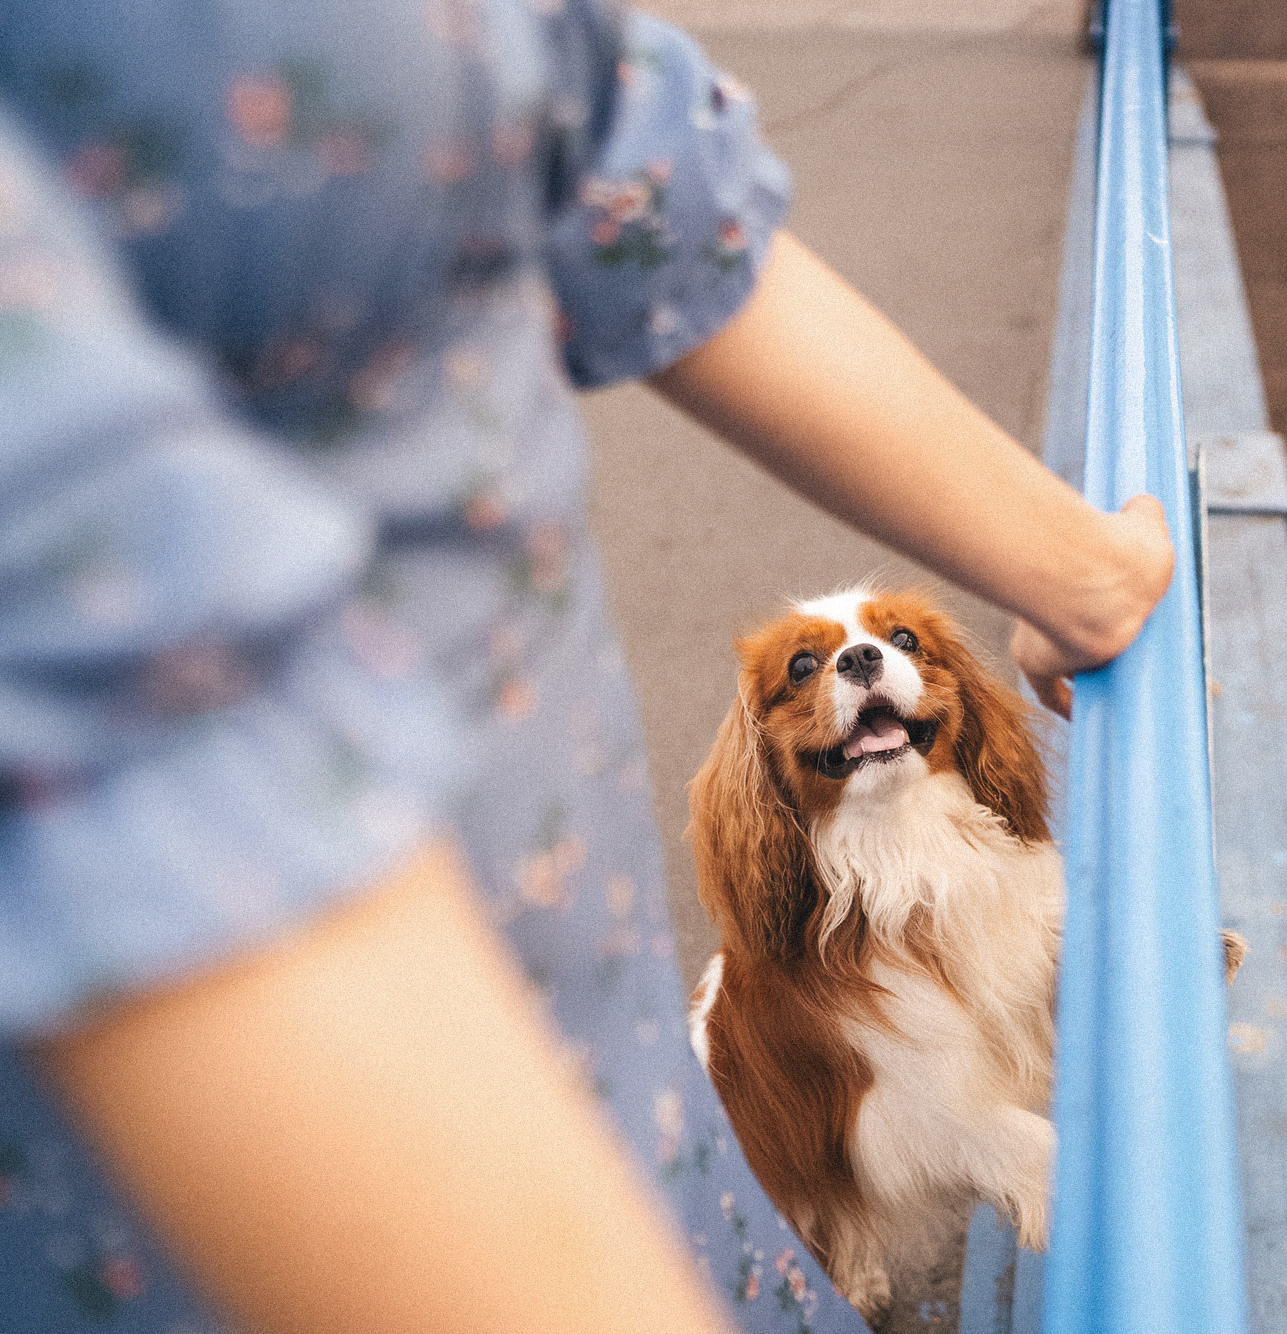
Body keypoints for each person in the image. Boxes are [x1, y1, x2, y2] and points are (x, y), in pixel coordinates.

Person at [0, 2, 1172, 1330]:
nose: (865, 666)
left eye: (898, 647)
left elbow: (642, 178)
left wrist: (1081, 572)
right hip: (313, 1203)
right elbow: (125, 725)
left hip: (626, 1083)